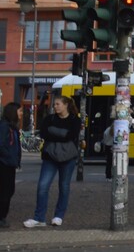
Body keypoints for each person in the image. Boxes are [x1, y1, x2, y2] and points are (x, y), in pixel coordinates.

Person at [24, 96, 82, 228]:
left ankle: (58, 216)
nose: (55, 106)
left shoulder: (74, 120)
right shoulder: (49, 119)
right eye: (54, 104)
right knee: (43, 186)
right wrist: (62, 134)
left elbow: (71, 135)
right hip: (50, 156)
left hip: (68, 157)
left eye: (58, 104)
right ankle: (39, 218)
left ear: (66, 105)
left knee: (64, 186)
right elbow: (44, 134)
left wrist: (54, 132)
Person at [0, 102, 21, 228]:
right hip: (4, 164)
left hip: (9, 163)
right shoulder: (5, 127)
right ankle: (1, 216)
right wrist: (9, 157)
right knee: (6, 190)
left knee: (8, 190)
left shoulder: (11, 127)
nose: (21, 113)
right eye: (20, 111)